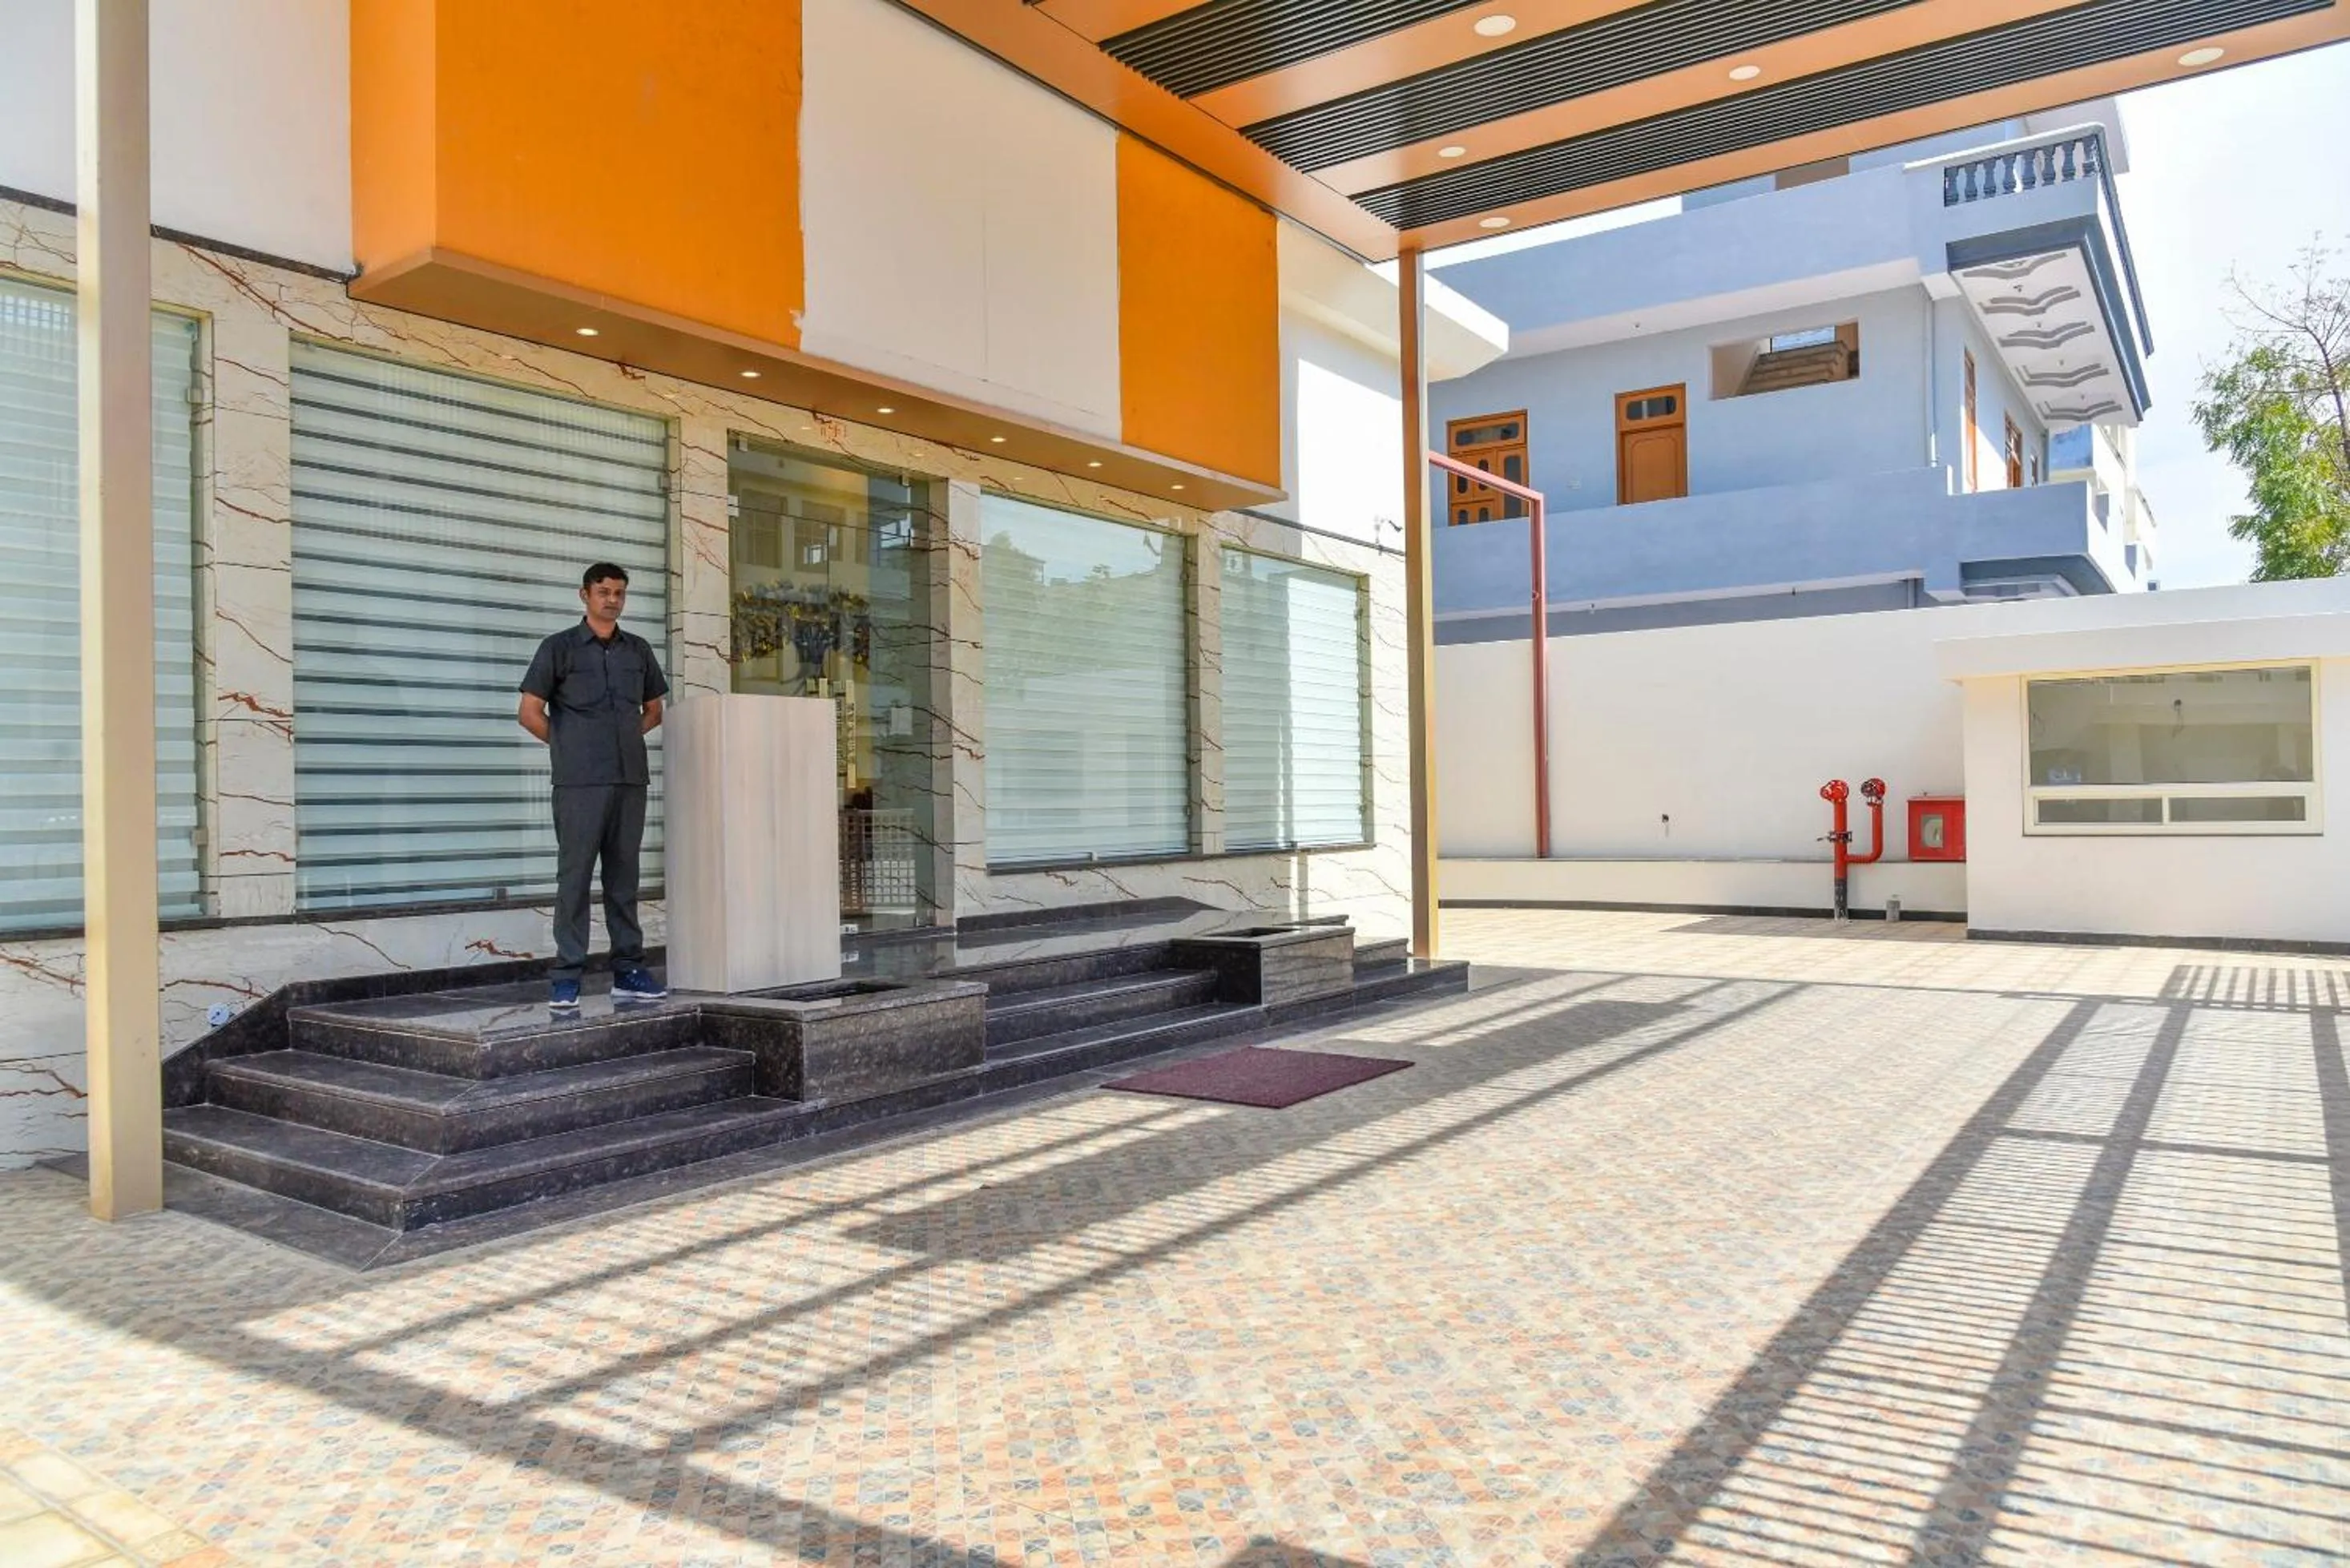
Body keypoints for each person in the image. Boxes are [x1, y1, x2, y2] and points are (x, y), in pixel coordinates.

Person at [518, 562, 671, 1010]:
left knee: (624, 880)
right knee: (575, 879)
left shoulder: (638, 650)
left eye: (620, 593)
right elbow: (529, 712)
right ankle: (567, 976)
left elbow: (654, 711)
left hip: (629, 779)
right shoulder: (559, 648)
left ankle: (629, 971)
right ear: (584, 595)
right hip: (579, 783)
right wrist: (570, 746)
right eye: (604, 591)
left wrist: (618, 742)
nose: (613, 599)